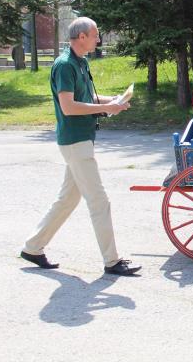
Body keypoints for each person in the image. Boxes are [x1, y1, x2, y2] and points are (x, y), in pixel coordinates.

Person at [20, 17, 141, 276]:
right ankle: (112, 261)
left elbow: (87, 98)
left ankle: (32, 247)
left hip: (82, 139)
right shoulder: (64, 65)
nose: (98, 39)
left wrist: (115, 101)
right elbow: (69, 106)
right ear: (82, 36)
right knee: (99, 201)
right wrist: (106, 108)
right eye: (96, 35)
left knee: (66, 200)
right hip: (75, 142)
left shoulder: (81, 62)